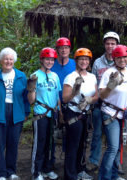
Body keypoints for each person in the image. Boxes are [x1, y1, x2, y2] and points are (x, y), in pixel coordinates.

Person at [0, 47, 30, 180]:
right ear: (1, 60)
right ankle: (1, 173)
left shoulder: (21, 76)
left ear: (14, 61)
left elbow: (26, 96)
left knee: (13, 143)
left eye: (11, 59)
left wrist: (26, 111)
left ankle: (11, 172)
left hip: (16, 112)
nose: (8, 61)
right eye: (6, 58)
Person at [98, 45, 127, 180]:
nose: (122, 60)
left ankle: (114, 175)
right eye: (119, 57)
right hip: (110, 112)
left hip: (124, 113)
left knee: (119, 146)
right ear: (114, 58)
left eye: (124, 57)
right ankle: (104, 177)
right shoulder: (109, 73)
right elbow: (101, 95)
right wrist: (111, 85)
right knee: (113, 147)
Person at [62, 48, 98, 180]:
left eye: (86, 59)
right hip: (73, 113)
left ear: (89, 62)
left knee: (83, 144)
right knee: (73, 146)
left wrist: (89, 100)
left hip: (86, 113)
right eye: (81, 59)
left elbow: (96, 96)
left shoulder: (92, 77)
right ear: (76, 60)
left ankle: (80, 170)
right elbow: (65, 98)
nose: (84, 62)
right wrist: (74, 92)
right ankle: (70, 175)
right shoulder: (70, 77)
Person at [88, 31, 120, 172]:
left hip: (115, 105)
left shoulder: (120, 61)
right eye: (108, 43)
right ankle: (94, 161)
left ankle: (115, 164)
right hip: (99, 103)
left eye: (113, 43)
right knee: (97, 134)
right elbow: (93, 82)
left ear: (117, 45)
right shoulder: (97, 62)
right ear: (104, 45)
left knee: (114, 137)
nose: (110, 46)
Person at [28, 47, 61, 180]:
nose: (50, 62)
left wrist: (60, 112)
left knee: (51, 143)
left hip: (53, 114)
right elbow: (31, 101)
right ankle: (36, 172)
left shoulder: (55, 76)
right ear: (42, 60)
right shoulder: (35, 76)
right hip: (40, 114)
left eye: (52, 60)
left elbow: (57, 96)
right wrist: (31, 89)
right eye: (47, 59)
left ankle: (47, 169)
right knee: (39, 143)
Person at [50, 37, 76, 165]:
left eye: (66, 48)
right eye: (61, 48)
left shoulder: (74, 64)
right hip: (53, 103)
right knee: (52, 134)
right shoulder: (51, 63)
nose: (64, 50)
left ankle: (68, 161)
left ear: (69, 50)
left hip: (71, 103)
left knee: (70, 133)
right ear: (57, 50)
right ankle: (50, 161)